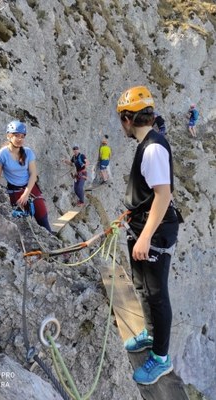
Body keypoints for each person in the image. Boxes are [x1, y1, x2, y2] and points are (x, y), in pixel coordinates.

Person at [116, 86, 181, 385]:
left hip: (154, 231)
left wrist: (145, 238)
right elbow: (147, 193)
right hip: (142, 225)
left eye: (121, 120)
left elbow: (163, 196)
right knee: (141, 285)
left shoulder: (153, 147)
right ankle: (149, 334)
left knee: (157, 294)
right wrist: (130, 215)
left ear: (128, 119)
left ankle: (161, 359)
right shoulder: (147, 144)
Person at [0, 120, 52, 233]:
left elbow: (33, 175)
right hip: (14, 191)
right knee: (21, 223)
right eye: (16, 135)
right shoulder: (1, 155)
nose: (20, 139)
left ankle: (53, 241)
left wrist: (26, 194)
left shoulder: (28, 152)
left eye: (22, 136)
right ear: (9, 136)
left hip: (30, 188)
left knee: (42, 216)